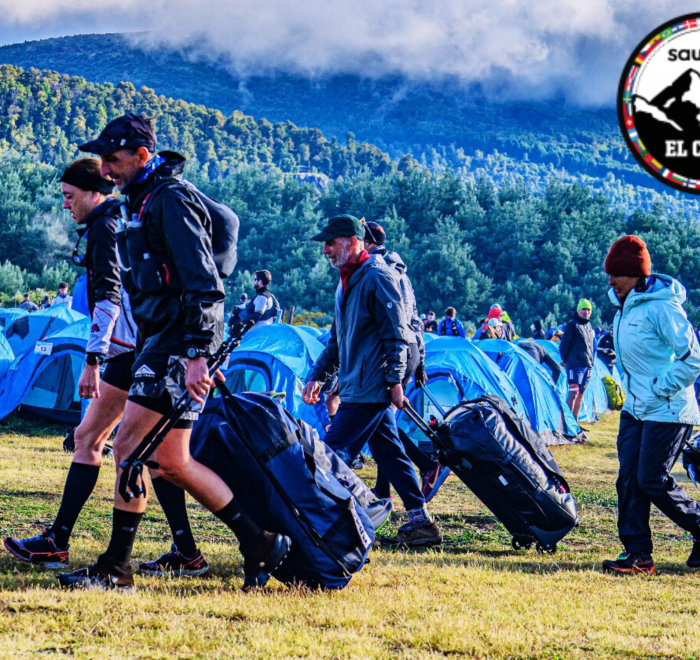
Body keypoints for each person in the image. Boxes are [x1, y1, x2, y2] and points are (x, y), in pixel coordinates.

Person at [56, 113, 290, 591]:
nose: (105, 169)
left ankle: (115, 568)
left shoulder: (170, 199)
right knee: (171, 461)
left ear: (142, 155)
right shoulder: (142, 200)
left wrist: (198, 354)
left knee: (129, 447)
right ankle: (259, 542)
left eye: (113, 159)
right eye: (102, 159)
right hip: (162, 342)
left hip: (178, 344)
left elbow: (203, 280)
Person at [4, 157, 210, 580]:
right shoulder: (121, 217)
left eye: (69, 196)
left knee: (133, 450)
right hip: (142, 346)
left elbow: (110, 296)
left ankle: (72, 546)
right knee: (113, 443)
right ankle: (182, 551)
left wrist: (92, 360)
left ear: (92, 192)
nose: (65, 204)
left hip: (133, 349)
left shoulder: (104, 226)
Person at [303, 214, 441, 547]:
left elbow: (397, 334)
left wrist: (395, 381)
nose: (325, 250)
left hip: (370, 387)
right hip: (358, 383)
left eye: (331, 243)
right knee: (389, 452)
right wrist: (318, 377)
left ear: (352, 242)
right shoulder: (345, 282)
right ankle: (421, 522)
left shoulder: (378, 277)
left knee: (330, 454)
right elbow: (337, 341)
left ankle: (345, 520)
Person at [600, 235, 700, 576]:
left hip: (669, 408)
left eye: (617, 274)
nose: (611, 280)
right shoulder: (624, 308)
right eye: (610, 273)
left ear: (637, 274)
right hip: (635, 408)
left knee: (651, 479)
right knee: (628, 480)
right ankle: (638, 555)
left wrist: (660, 387)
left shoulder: (663, 307)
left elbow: (693, 359)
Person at [363, 221, 446, 501]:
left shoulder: (377, 269)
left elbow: (391, 322)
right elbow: (415, 319)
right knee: (382, 420)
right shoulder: (401, 272)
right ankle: (384, 488)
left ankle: (427, 466)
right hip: (409, 348)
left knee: (377, 420)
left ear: (369, 243)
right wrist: (419, 361)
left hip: (392, 350)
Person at [560, 299, 595, 420]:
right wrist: (566, 360)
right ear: (578, 311)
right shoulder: (573, 324)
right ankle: (568, 423)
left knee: (581, 394)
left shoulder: (589, 326)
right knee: (573, 393)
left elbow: (591, 345)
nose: (586, 312)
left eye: (588, 310)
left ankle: (575, 423)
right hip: (575, 364)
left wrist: (591, 361)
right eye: (584, 309)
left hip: (587, 364)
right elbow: (564, 344)